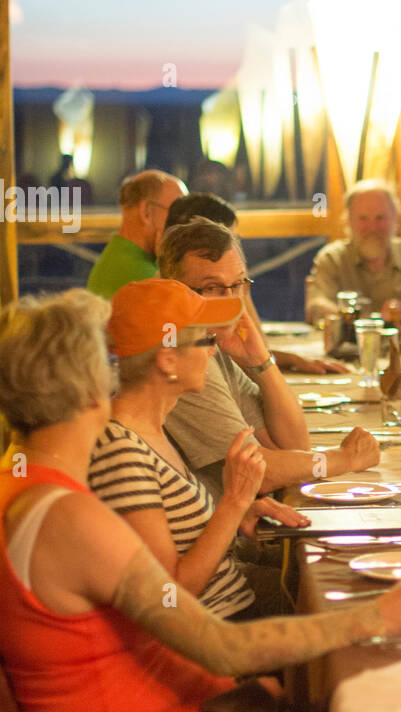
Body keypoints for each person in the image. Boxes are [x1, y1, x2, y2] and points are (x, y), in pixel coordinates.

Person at [0, 290, 401, 712]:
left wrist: (220, 695)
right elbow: (220, 645)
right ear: (86, 387)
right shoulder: (67, 518)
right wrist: (387, 614)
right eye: (101, 359)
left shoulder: (23, 486)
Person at [88, 279, 309, 622]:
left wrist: (239, 513)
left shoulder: (154, 430)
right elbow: (170, 593)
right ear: (168, 360)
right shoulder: (121, 452)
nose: (213, 350)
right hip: (220, 628)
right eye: (206, 339)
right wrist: (234, 501)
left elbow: (183, 536)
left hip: (238, 597)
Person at [157, 219, 379, 501]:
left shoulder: (215, 345)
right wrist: (345, 459)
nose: (231, 301)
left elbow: (294, 445)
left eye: (237, 284)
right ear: (175, 289)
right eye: (212, 288)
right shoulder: (179, 354)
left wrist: (261, 361)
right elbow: (260, 472)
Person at [165, 192, 346, 375]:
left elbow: (257, 350)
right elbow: (247, 360)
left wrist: (291, 359)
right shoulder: (182, 297)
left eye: (236, 240)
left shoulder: (228, 286)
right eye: (231, 239)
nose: (235, 249)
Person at [304, 179, 401, 325]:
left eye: (380, 218)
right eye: (363, 218)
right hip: (347, 346)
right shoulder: (332, 259)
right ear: (349, 220)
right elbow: (316, 306)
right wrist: (362, 319)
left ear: (395, 219)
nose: (372, 228)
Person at [86, 170, 186, 299]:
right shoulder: (144, 276)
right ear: (146, 212)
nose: (184, 223)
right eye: (177, 212)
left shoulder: (116, 257)